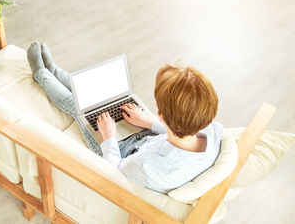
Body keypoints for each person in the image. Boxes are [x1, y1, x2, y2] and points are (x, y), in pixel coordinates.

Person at [27, 42, 223, 193]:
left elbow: (114, 173)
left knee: (78, 107)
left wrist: (109, 136)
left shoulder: (145, 167)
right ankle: (55, 71)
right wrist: (149, 122)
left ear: (162, 115)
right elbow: (185, 137)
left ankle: (41, 73)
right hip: (149, 137)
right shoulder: (212, 131)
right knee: (97, 96)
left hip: (119, 152)